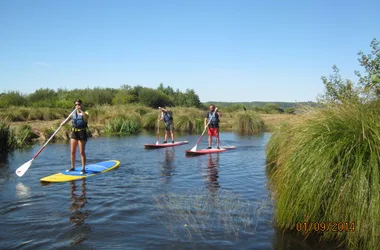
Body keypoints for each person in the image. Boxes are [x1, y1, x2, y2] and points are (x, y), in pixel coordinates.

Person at [61, 99, 89, 174]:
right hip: (74, 133)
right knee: (72, 151)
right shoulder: (73, 113)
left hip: (82, 133)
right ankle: (72, 167)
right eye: (76, 104)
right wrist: (63, 123)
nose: (77, 106)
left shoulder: (85, 113)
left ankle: (83, 169)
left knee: (81, 152)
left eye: (79, 104)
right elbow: (68, 119)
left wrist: (80, 111)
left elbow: (86, 117)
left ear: (81, 105)